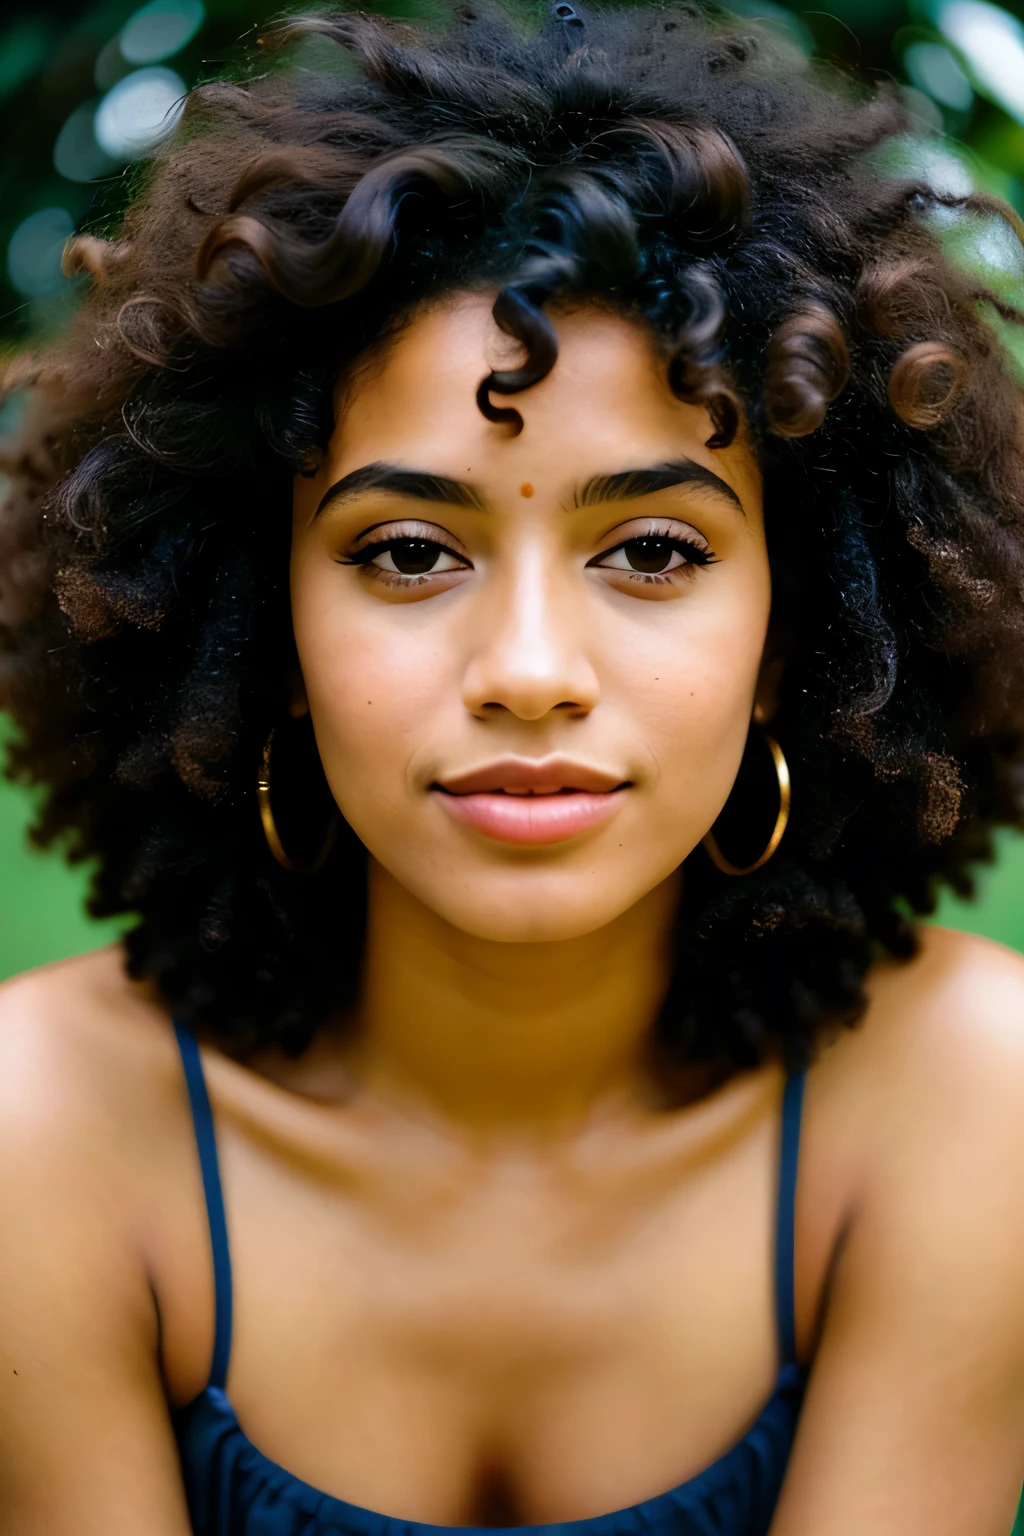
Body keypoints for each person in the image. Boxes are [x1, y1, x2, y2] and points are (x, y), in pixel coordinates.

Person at [2, 1, 1024, 1531]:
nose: (531, 672)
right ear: (256, 610)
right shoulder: (42, 1140)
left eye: (656, 549)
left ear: (796, 628)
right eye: (409, 552)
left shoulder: (971, 1102)